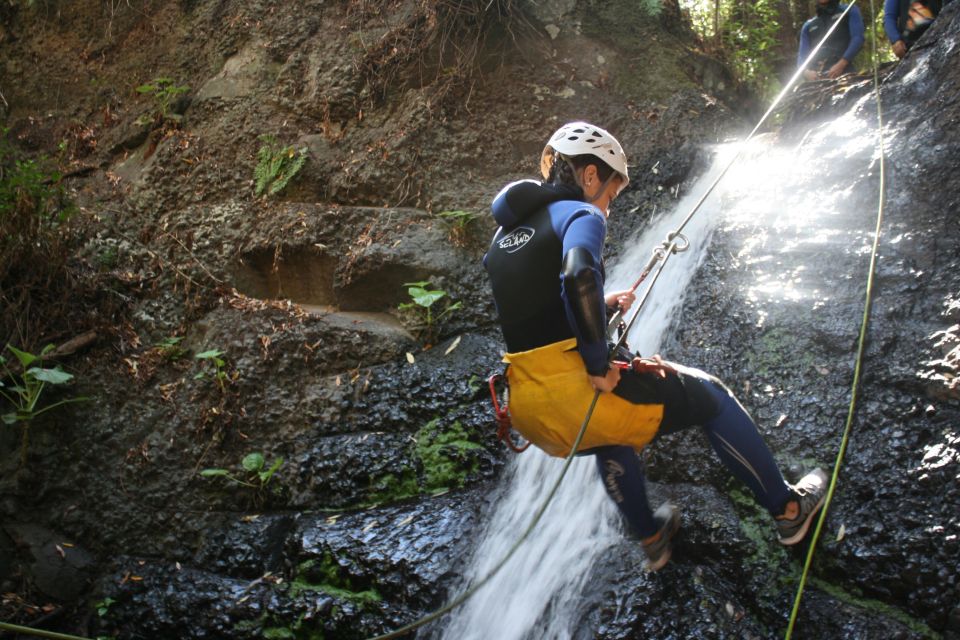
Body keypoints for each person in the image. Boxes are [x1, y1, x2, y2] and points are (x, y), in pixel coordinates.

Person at [483, 122, 828, 570]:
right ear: (590, 176)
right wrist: (598, 362)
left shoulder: (504, 237)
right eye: (610, 193)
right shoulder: (580, 215)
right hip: (575, 388)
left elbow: (536, 313)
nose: (608, 205)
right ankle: (788, 510)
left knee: (612, 430)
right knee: (713, 397)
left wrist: (602, 307)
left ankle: (652, 537)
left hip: (530, 408)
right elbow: (577, 275)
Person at [797, 0, 865, 80]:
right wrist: (806, 72)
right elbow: (802, 56)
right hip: (817, 78)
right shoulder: (808, 25)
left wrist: (842, 64)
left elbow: (858, 38)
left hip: (846, 72)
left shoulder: (849, 10)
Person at [884, 0, 950, 57]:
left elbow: (951, 7)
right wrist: (895, 39)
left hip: (940, 38)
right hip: (910, 46)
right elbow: (890, 16)